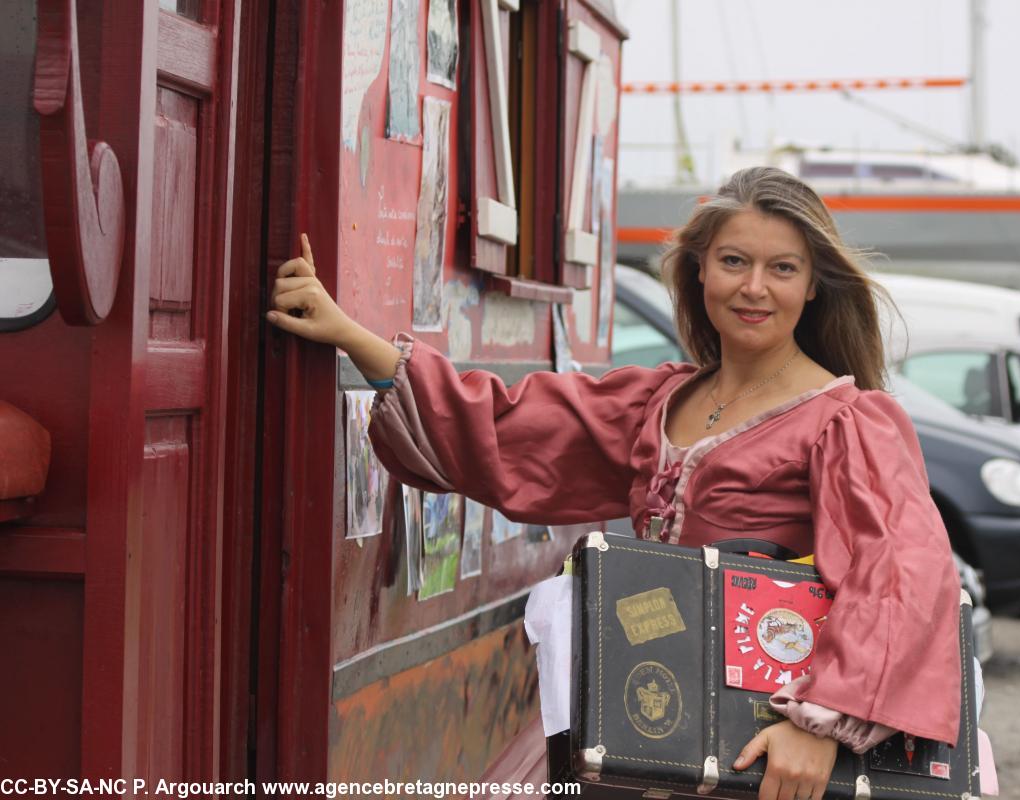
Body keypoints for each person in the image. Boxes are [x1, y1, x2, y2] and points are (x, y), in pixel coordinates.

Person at [267, 167, 968, 800]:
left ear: (813, 285)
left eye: (782, 268)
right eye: (733, 261)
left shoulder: (849, 422)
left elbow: (902, 578)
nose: (754, 288)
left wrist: (818, 727)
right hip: (648, 714)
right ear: (699, 272)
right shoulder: (656, 401)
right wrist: (351, 336)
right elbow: (509, 426)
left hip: (767, 734)